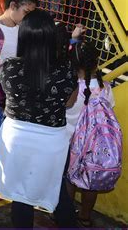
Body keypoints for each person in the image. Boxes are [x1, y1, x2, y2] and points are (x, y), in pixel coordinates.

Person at [0, 9, 78, 228]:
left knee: (20, 197)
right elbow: (68, 103)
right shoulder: (66, 70)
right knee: (58, 190)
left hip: (16, 138)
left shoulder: (9, 67)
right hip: (51, 140)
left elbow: (7, 92)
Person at [0, 0, 37, 181]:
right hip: (3, 98)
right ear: (13, 5)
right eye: (26, 11)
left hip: (18, 97)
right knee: (0, 137)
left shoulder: (22, 28)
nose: (28, 17)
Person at [66, 41, 115, 228]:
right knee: (91, 183)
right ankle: (85, 217)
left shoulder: (71, 87)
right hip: (96, 144)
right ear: (96, 62)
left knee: (70, 180)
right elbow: (109, 111)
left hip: (71, 143)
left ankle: (66, 214)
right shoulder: (106, 87)